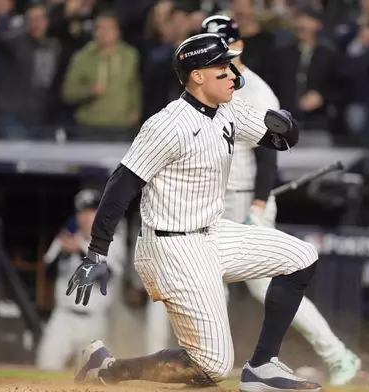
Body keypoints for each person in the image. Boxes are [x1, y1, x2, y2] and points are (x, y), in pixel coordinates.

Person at [66, 33, 324, 392]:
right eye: (222, 67)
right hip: (172, 248)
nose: (232, 73)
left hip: (212, 234)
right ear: (197, 76)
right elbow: (121, 185)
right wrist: (97, 250)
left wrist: (283, 122)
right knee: (213, 366)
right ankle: (109, 368)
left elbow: (281, 138)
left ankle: (262, 367)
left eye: (230, 65)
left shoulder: (228, 109)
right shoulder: (168, 124)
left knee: (301, 256)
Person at [199, 14, 361, 385]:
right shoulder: (205, 85)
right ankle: (203, 361)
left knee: (263, 283)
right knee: (205, 281)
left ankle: (338, 355)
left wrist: (257, 206)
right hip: (211, 201)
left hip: (245, 201)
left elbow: (268, 154)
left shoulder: (256, 90)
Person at [35, 189, 127, 371]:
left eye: (91, 212)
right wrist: (63, 249)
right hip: (63, 317)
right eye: (81, 212)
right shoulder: (65, 239)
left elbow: (104, 275)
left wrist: (80, 248)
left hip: (95, 321)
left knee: (94, 375)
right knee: (46, 365)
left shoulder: (112, 242)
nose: (85, 217)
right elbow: (48, 270)